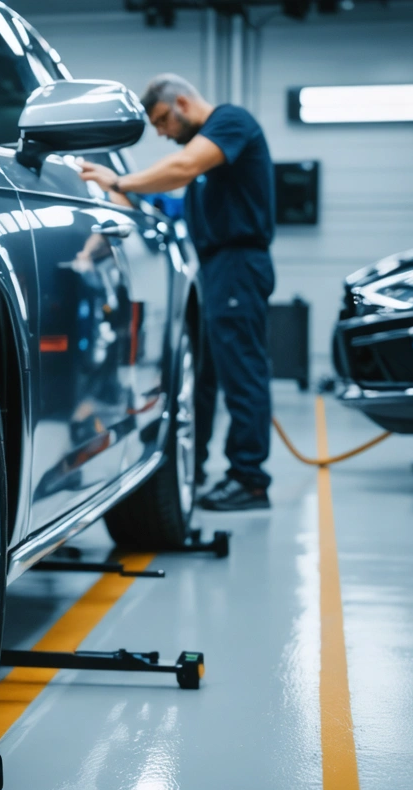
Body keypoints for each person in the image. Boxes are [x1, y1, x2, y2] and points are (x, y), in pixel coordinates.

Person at [79, 74, 275, 511]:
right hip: (217, 267)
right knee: (206, 376)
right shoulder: (209, 160)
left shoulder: (230, 123)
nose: (163, 133)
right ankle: (198, 464)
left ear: (183, 102)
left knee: (241, 374)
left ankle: (250, 480)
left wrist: (121, 182)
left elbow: (182, 169)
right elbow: (171, 197)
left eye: (164, 120)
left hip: (239, 264)